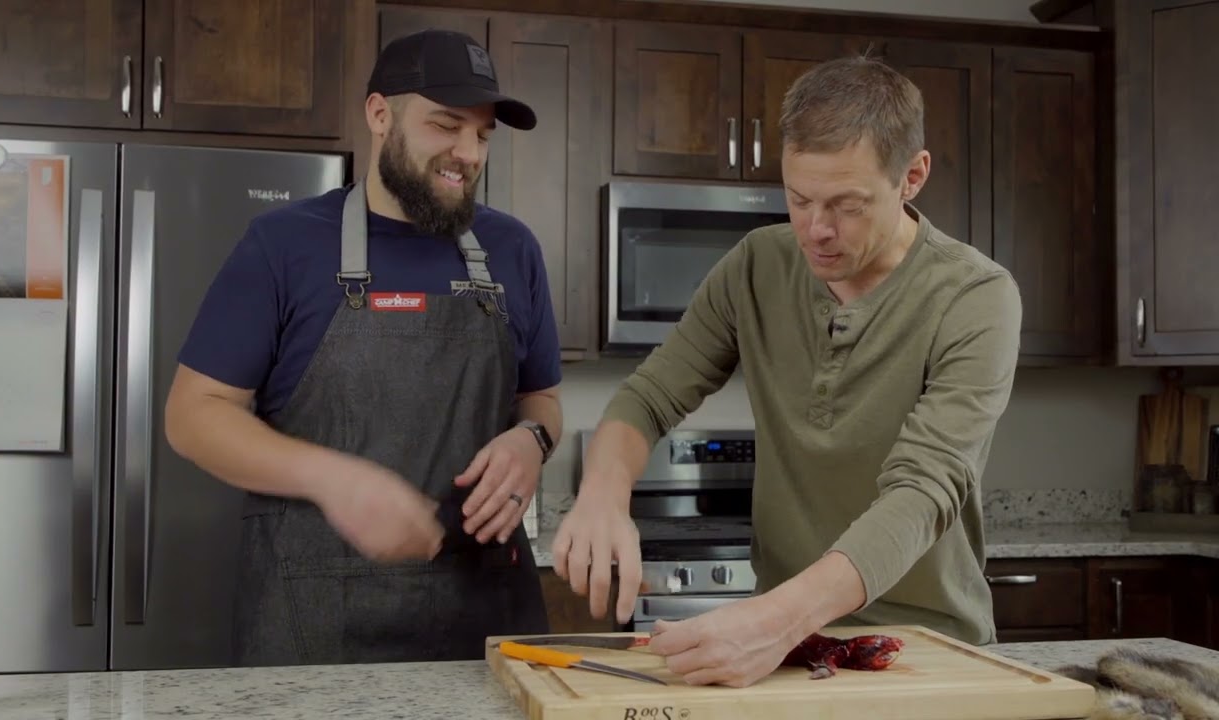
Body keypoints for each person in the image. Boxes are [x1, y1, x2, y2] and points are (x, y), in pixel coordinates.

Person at [551, 55, 1023, 688]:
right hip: (794, 649)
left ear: (913, 176)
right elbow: (651, 396)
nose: (816, 231)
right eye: (798, 199)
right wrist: (604, 493)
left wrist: (774, 618)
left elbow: (923, 490)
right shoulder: (756, 266)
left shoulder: (976, 296)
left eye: (847, 206)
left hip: (929, 645)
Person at [164, 29, 563, 666]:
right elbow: (193, 416)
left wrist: (532, 440)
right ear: (380, 115)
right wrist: (334, 480)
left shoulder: (513, 249)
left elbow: (540, 399)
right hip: (311, 622)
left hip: (485, 619)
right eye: (445, 125)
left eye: (483, 134)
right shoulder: (283, 244)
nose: (468, 152)